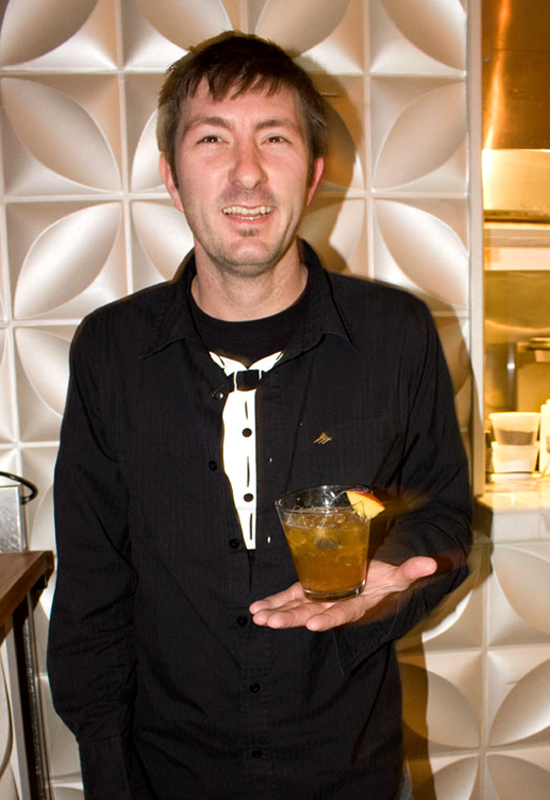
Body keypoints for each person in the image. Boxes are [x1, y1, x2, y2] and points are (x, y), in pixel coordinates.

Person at [47, 31, 472, 800]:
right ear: (172, 176)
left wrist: (391, 585)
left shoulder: (398, 334)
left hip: (351, 772)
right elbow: (90, 597)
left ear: (313, 174)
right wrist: (109, 772)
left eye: (274, 138)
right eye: (212, 138)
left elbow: (442, 517)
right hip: (168, 776)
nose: (247, 171)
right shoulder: (110, 349)